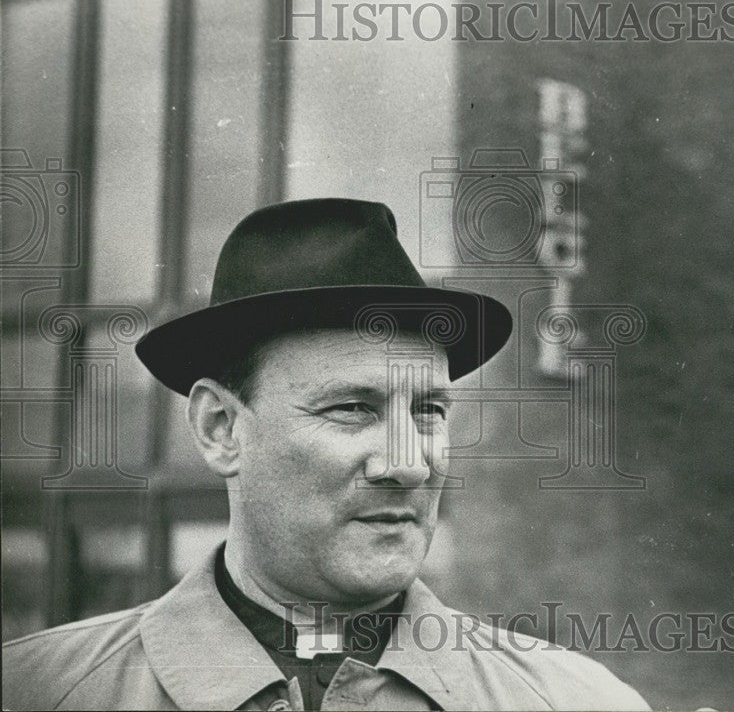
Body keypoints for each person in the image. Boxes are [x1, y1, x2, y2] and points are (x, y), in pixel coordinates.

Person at [1, 199, 649, 711]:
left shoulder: (574, 700)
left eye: (429, 410)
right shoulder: (40, 691)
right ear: (220, 427)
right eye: (353, 407)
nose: (410, 463)